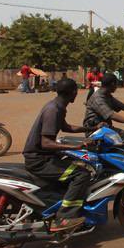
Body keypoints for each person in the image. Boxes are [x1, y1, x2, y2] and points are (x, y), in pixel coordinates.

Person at [23, 78, 95, 232]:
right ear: (73, 92)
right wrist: (75, 146)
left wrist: (91, 129)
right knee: (81, 174)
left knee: (73, 164)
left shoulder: (58, 106)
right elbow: (46, 143)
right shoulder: (53, 110)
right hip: (40, 160)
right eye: (76, 90)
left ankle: (58, 203)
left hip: (43, 156)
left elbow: (66, 127)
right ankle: (64, 217)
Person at [83, 73, 124, 155]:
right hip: (95, 131)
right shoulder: (98, 98)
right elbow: (112, 115)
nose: (117, 86)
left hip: (104, 128)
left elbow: (123, 106)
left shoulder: (107, 95)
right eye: (116, 84)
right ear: (112, 84)